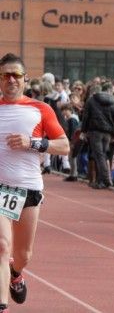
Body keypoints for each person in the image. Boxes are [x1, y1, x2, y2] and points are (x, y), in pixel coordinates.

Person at [0, 53, 70, 312]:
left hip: (28, 189)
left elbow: (64, 146)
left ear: (25, 80)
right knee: (2, 245)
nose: (10, 80)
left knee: (23, 255)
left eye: (16, 75)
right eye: (5, 75)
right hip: (0, 189)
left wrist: (34, 143)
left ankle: (16, 273)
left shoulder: (41, 109)